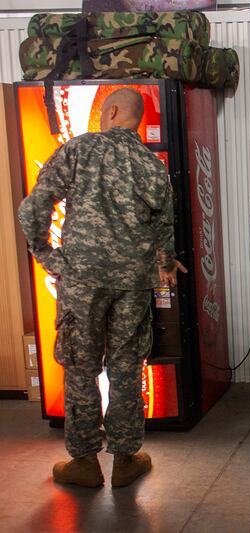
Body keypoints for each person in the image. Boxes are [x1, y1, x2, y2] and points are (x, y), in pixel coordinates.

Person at [18, 88, 186, 488]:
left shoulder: (78, 150)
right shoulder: (151, 164)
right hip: (133, 282)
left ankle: (84, 462)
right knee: (127, 368)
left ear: (109, 111)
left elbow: (33, 208)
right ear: (138, 119)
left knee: (81, 367)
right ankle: (126, 459)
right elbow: (163, 223)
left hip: (83, 281)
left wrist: (50, 257)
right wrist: (164, 263)